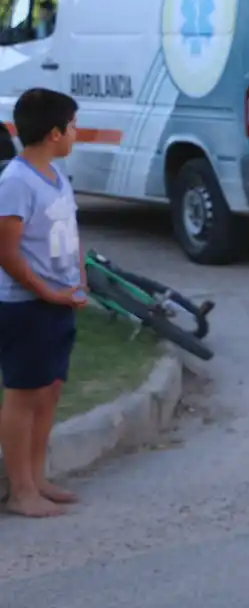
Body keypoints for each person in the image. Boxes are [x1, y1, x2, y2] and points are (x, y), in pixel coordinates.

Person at [0, 88, 89, 518]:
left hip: (59, 301)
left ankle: (38, 479)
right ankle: (20, 491)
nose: (77, 133)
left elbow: (72, 233)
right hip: (26, 305)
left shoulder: (56, 175)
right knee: (24, 394)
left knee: (50, 389)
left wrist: (79, 281)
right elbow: (7, 252)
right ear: (54, 133)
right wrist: (47, 292)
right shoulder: (16, 182)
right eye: (73, 126)